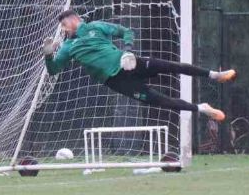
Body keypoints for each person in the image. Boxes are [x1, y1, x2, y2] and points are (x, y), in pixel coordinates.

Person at [43, 10, 236, 121]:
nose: (63, 29)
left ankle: (214, 75)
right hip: (115, 81)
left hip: (128, 63)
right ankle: (202, 108)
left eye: (64, 25)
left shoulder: (95, 27)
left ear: (75, 20)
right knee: (159, 100)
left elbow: (126, 31)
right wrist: (48, 55)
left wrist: (127, 49)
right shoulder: (68, 46)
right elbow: (53, 70)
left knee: (171, 66)